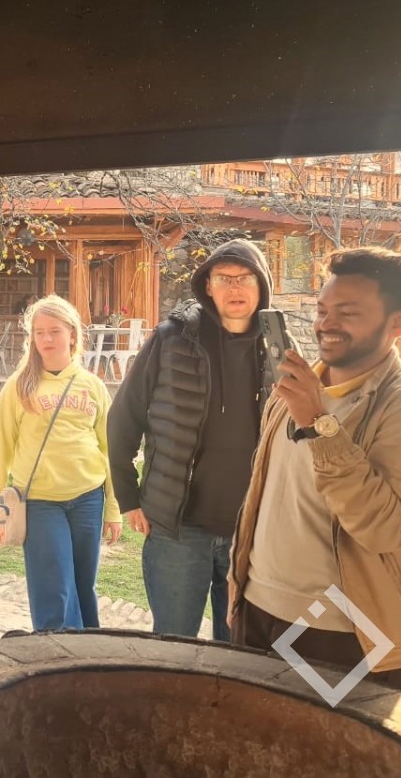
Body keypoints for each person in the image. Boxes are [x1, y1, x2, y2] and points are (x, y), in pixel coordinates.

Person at [228, 247, 401, 691]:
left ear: (399, 323)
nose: (326, 324)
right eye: (322, 310)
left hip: (341, 631)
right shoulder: (295, 388)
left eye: (347, 313)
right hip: (257, 608)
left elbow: (385, 530)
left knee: (323, 741)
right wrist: (239, 585)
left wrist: (319, 425)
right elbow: (267, 495)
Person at [107, 239, 274, 640]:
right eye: (224, 278)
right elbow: (123, 417)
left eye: (245, 278)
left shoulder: (278, 347)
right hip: (177, 528)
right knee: (174, 645)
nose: (235, 287)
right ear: (208, 286)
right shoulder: (173, 339)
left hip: (250, 530)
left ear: (262, 285)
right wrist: (129, 498)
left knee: (239, 649)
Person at [0, 295, 121, 631]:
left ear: (73, 334)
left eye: (55, 331)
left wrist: (113, 508)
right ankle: (58, 654)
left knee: (83, 587)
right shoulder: (19, 387)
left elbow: (110, 451)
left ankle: (90, 650)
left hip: (88, 498)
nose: (46, 339)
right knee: (55, 589)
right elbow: (0, 449)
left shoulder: (93, 386)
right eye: (39, 332)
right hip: (40, 502)